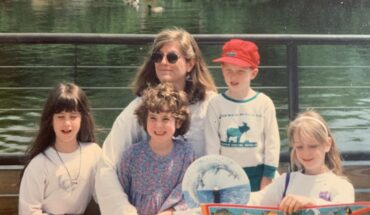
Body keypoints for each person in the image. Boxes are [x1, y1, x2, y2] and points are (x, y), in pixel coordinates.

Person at [95, 27, 217, 215]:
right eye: (157, 57)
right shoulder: (139, 108)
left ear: (190, 63)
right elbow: (107, 165)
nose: (163, 62)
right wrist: (125, 211)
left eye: (172, 57)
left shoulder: (210, 106)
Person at [205, 39, 280, 192]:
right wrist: (216, 176)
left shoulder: (264, 103)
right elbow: (212, 144)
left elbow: (272, 143)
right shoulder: (215, 104)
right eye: (229, 71)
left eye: (240, 71)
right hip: (227, 176)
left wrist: (268, 176)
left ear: (253, 73)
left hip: (258, 175)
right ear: (222, 70)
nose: (234, 76)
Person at [18, 82, 102, 215]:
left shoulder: (94, 153)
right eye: (60, 117)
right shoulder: (38, 164)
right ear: (50, 120)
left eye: (73, 117)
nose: (67, 123)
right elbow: (28, 211)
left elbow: (105, 195)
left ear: (83, 119)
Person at [250, 110, 354, 214]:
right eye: (299, 147)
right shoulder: (285, 182)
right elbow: (255, 201)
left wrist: (310, 202)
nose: (306, 153)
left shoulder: (341, 186)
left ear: (327, 144)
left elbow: (345, 209)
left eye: (313, 146)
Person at [118, 83, 194, 215]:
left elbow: (188, 193)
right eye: (153, 118)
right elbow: (121, 193)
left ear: (178, 122)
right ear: (144, 119)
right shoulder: (131, 155)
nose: (158, 125)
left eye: (165, 119)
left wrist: (171, 212)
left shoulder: (186, 154)